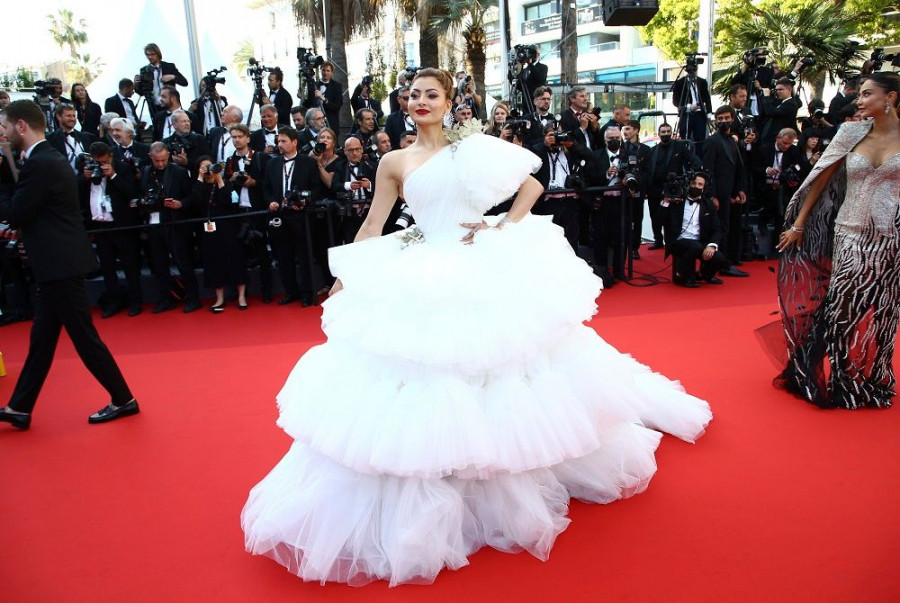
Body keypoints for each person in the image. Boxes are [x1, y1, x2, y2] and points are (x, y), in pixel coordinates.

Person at [241, 68, 712, 586]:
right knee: (418, 371)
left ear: (449, 102)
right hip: (419, 265)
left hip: (476, 264)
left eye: (431, 94)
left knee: (496, 368)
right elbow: (375, 222)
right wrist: (347, 273)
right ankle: (435, 465)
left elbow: (533, 184)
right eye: (413, 94)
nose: (420, 101)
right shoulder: (394, 160)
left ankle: (494, 474)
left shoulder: (472, 147)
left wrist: (499, 225)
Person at [0, 100, 139, 430]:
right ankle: (20, 408)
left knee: (84, 338)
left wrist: (5, 177)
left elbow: (19, 211)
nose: (2, 135)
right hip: (56, 263)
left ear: (21, 126)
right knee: (42, 341)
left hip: (59, 263)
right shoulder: (44, 159)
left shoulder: (41, 162)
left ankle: (123, 399)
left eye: (4, 128)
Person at [774, 72, 900, 409]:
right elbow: (819, 179)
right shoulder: (851, 133)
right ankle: (838, 379)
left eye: (867, 94)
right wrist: (799, 224)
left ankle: (870, 378)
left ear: (890, 98)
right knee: (842, 308)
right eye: (859, 94)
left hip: (890, 239)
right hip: (848, 232)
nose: (859, 101)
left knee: (882, 311)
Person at [193, 156, 248, 312]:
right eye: (204, 167)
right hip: (209, 230)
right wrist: (199, 176)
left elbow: (228, 201)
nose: (208, 170)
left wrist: (219, 179)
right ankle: (219, 298)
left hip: (228, 228)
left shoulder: (225, 184)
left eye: (210, 166)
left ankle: (241, 296)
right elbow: (196, 201)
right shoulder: (200, 186)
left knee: (236, 258)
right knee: (213, 261)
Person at [663, 172, 730, 287]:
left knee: (720, 258)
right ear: (688, 184)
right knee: (695, 247)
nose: (696, 186)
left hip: (700, 241)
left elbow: (717, 229)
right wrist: (665, 202)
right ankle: (681, 276)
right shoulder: (678, 202)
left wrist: (712, 245)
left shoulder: (709, 205)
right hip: (679, 241)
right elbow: (660, 220)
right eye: (694, 183)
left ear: (704, 188)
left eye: (700, 184)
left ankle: (703, 275)